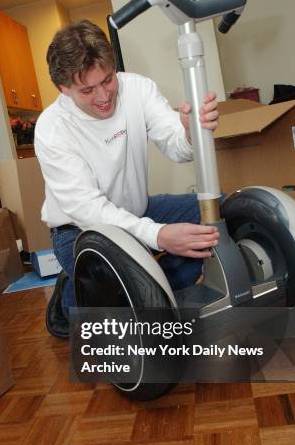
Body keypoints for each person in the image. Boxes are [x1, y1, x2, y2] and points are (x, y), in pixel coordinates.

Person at [35, 20, 219, 338]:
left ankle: (139, 284)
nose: (104, 96)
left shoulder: (137, 88)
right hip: (79, 231)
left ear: (113, 68)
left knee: (214, 217)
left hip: (136, 212)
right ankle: (73, 298)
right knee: (132, 288)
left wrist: (190, 131)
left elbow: (179, 148)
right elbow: (90, 211)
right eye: (88, 90)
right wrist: (159, 236)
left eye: (107, 80)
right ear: (64, 89)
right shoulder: (52, 128)